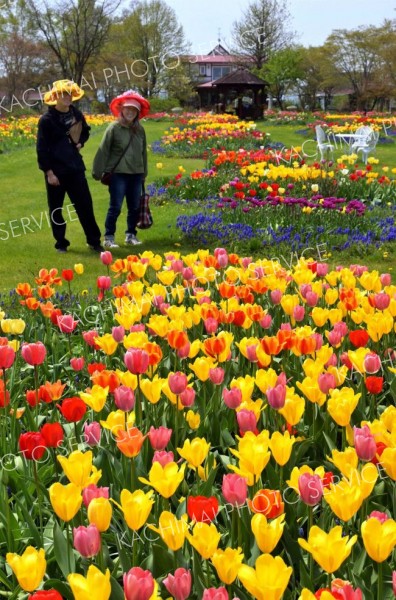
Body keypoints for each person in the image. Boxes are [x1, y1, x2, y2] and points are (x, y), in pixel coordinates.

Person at [36, 79, 103, 253]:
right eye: (63, 94)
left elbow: (86, 132)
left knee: (85, 206)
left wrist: (80, 142)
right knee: (56, 210)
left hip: (75, 168)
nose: (67, 97)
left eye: (69, 94)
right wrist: (49, 173)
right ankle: (61, 243)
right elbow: (41, 148)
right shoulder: (46, 120)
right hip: (56, 172)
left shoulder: (77, 114)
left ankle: (94, 241)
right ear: (55, 96)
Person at [92, 90, 150, 248]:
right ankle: (109, 237)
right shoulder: (114, 128)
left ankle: (131, 234)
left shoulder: (140, 130)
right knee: (115, 206)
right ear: (122, 110)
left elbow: (143, 151)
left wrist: (144, 172)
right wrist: (97, 171)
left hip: (136, 174)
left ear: (138, 113)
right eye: (128, 109)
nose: (130, 112)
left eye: (134, 110)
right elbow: (103, 149)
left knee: (134, 207)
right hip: (118, 174)